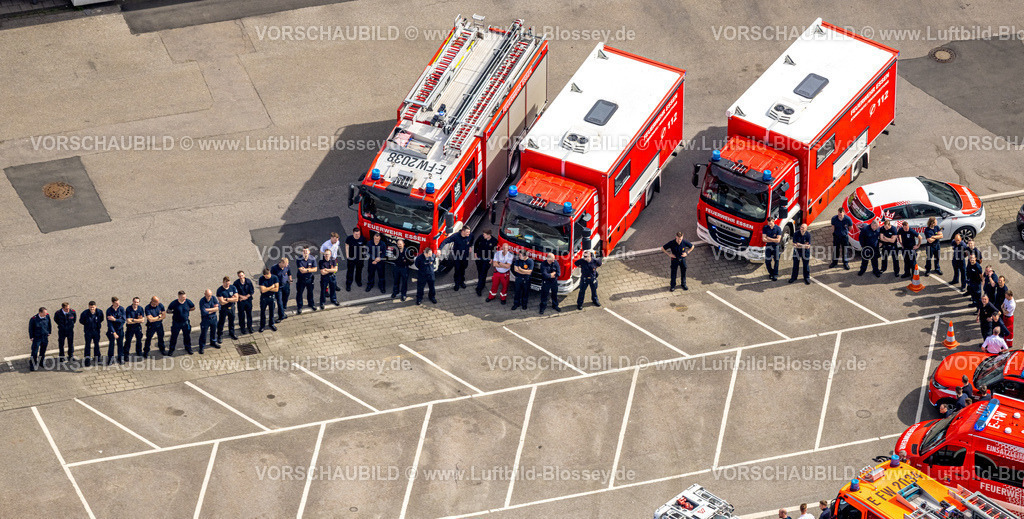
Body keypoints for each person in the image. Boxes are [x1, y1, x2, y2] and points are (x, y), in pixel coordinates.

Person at [441, 226, 473, 291]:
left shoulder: (470, 235)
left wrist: (470, 246)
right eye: (467, 232)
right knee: (457, 270)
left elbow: (472, 239)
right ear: (463, 231)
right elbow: (446, 241)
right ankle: (457, 283)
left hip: (465, 256)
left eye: (469, 232)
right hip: (457, 256)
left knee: (463, 269)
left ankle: (462, 282)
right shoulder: (455, 236)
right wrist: (439, 249)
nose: (468, 234)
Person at [167, 291, 195, 355]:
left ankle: (188, 348)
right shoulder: (174, 303)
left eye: (185, 297)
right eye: (183, 297)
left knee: (187, 336)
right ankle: (171, 349)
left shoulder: (188, 302)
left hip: (185, 323)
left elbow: (193, 308)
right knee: (174, 336)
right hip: (176, 323)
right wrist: (175, 312)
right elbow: (168, 311)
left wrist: (187, 311)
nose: (184, 298)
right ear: (179, 297)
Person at [474, 229, 498, 296]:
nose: (483, 235)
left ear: (488, 235)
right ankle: (482, 283)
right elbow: (476, 244)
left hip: (487, 260)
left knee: (483, 273)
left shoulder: (494, 241)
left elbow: (495, 251)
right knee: (480, 272)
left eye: (484, 234)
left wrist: (492, 259)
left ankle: (479, 289)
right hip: (479, 258)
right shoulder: (481, 237)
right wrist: (475, 253)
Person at [79, 301, 104, 366]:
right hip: (88, 332)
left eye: (93, 307)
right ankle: (87, 360)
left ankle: (97, 358)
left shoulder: (99, 312)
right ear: (88, 307)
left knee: (97, 345)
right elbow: (81, 321)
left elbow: (101, 319)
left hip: (96, 331)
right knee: (87, 345)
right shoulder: (84, 313)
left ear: (95, 306)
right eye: (90, 307)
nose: (92, 309)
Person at [295, 247, 318, 313]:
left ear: (309, 252)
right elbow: (302, 271)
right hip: (301, 279)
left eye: (306, 252)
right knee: (299, 293)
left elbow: (315, 269)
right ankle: (299, 306)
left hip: (310, 279)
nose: (305, 253)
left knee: (310, 292)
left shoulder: (312, 259)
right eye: (304, 252)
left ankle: (311, 304)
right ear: (302, 252)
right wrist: (310, 270)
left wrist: (306, 270)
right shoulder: (299, 259)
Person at [29, 307, 51, 371]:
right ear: (40, 313)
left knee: (43, 351)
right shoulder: (33, 319)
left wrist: (49, 332)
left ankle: (41, 362)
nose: (46, 314)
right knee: (34, 352)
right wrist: (31, 337)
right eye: (44, 313)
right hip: (37, 338)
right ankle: (33, 364)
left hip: (44, 337)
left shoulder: (47, 316)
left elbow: (49, 324)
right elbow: (31, 329)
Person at [216, 277, 238, 341]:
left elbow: (236, 299)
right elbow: (222, 302)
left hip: (232, 307)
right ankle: (219, 335)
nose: (227, 284)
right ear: (223, 282)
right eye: (226, 283)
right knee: (221, 322)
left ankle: (232, 333)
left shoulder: (233, 287)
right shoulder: (220, 290)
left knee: (231, 321)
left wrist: (226, 299)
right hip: (224, 308)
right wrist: (232, 299)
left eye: (228, 283)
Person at [105, 297, 126, 365]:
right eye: (116, 303)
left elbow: (123, 320)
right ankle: (110, 359)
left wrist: (115, 320)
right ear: (112, 303)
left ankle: (120, 358)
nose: (118, 304)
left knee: (120, 344)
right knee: (111, 345)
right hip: (112, 331)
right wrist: (114, 332)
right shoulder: (109, 311)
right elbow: (109, 323)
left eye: (118, 302)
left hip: (120, 330)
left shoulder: (121, 309)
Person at [258, 268, 279, 332]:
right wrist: (271, 287)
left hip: (271, 297)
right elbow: (263, 290)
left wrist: (267, 288)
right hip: (264, 298)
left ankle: (271, 324)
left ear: (269, 273)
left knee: (272, 311)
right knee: (262, 312)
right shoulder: (261, 278)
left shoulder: (274, 278)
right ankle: (262, 325)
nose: (266, 278)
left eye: (267, 276)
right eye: (265, 276)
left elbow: (276, 289)